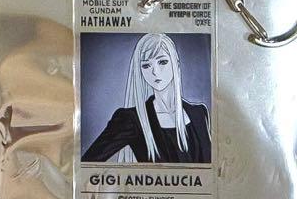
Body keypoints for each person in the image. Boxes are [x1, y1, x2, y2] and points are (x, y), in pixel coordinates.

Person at [82, 32, 211, 164]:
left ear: (176, 64)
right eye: (146, 65)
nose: (155, 72)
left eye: (162, 62)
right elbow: (87, 162)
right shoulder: (131, 119)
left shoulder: (199, 113)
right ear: (140, 71)